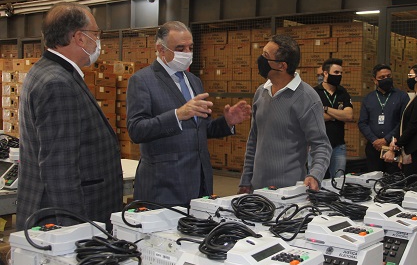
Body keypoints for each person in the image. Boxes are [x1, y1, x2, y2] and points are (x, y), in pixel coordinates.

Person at [16, 2, 123, 230]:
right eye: (96, 33)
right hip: (71, 217)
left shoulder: (47, 71)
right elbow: (59, 167)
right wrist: (76, 229)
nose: (98, 40)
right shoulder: (57, 83)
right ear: (79, 38)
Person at [127, 21, 251, 208]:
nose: (186, 53)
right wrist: (177, 115)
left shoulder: (194, 81)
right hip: (163, 186)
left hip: (199, 183)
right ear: (161, 49)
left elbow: (201, 129)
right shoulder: (143, 81)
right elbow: (136, 130)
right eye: (180, 48)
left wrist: (227, 122)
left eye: (190, 47)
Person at [238, 35, 332, 193]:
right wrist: (246, 180)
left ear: (281, 66)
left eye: (266, 56)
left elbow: (321, 144)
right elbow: (254, 139)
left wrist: (315, 175)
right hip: (257, 188)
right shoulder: (261, 92)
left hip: (289, 192)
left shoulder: (307, 98)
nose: (260, 59)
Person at [383, 64, 417, 177]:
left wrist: (396, 146)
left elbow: (413, 126)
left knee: (411, 184)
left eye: (410, 75)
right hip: (411, 148)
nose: (409, 78)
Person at [358, 64, 409, 173]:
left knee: (393, 182)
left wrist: (386, 139)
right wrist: (374, 140)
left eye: (388, 76)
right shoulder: (368, 98)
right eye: (382, 78)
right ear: (375, 80)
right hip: (373, 147)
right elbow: (362, 123)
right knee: (373, 180)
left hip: (394, 147)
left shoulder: (402, 96)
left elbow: (403, 122)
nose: (386, 79)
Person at [313, 58, 353, 178]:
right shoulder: (315, 92)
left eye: (341, 73)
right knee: (316, 180)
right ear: (325, 73)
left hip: (338, 146)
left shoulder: (343, 92)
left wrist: (325, 109)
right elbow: (315, 117)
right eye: (336, 73)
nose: (339, 75)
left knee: (338, 181)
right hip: (318, 146)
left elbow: (349, 115)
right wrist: (338, 114)